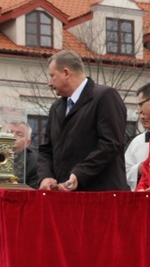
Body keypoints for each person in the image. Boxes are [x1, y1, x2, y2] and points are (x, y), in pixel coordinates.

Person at [38, 50, 129, 191]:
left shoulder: (105, 96)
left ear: (66, 73)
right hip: (65, 197)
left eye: (52, 76)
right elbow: (46, 148)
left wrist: (80, 174)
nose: (49, 83)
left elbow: (110, 143)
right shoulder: (56, 107)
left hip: (100, 197)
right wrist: (46, 175)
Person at [8, 121, 40, 188]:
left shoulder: (35, 163)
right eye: (9, 132)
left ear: (27, 143)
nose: (12, 136)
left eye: (19, 134)